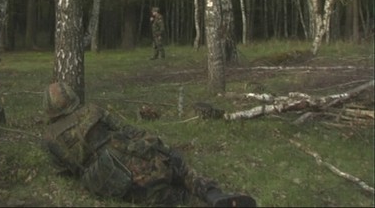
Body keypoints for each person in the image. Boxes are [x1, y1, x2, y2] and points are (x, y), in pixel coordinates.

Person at [42, 82, 256, 207]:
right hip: (126, 160)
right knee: (176, 165)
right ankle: (213, 194)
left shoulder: (49, 138)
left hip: (104, 182)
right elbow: (125, 130)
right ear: (71, 98)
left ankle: (199, 202)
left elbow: (64, 171)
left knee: (169, 196)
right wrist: (150, 142)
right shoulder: (92, 111)